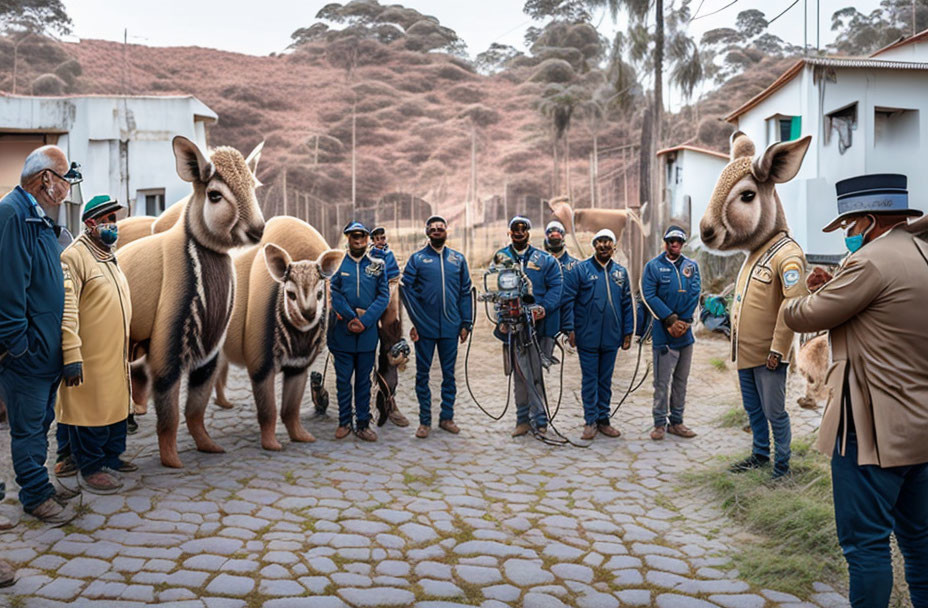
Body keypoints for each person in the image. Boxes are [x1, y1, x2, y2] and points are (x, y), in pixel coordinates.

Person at [784, 174, 928, 608]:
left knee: (865, 546)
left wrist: (796, 290)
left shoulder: (868, 263)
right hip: (921, 426)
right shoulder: (922, 253)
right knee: (920, 545)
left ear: (867, 221)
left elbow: (802, 316)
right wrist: (836, 283)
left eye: (848, 227)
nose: (847, 236)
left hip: (869, 430)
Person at [0, 145, 82, 526]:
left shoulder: (37, 218)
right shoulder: (13, 214)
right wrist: (20, 345)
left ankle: (42, 484)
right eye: (65, 179)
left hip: (44, 352)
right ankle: (34, 495)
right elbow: (9, 285)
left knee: (42, 423)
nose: (67, 187)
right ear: (47, 178)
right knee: (29, 427)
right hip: (27, 354)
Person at [57, 195, 136, 494]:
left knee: (115, 407)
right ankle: (90, 467)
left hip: (114, 352)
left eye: (115, 220)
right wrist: (71, 352)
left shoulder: (108, 255)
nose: (113, 226)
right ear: (91, 224)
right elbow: (67, 308)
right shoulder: (74, 257)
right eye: (107, 220)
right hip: (89, 353)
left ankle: (110, 458)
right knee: (90, 410)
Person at [728, 213, 808, 480]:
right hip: (745, 352)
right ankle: (760, 454)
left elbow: (792, 303)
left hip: (768, 354)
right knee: (753, 409)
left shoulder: (787, 253)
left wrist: (779, 349)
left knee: (775, 412)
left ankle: (782, 466)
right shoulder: (757, 252)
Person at [400, 215, 472, 439]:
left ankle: (446, 418)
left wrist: (466, 322)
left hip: (451, 327)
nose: (438, 231)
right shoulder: (418, 259)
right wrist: (416, 321)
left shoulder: (458, 260)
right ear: (427, 232)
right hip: (425, 329)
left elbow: (465, 292)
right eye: (433, 228)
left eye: (441, 228)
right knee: (422, 375)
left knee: (449, 375)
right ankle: (424, 421)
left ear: (447, 231)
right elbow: (405, 290)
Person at [491, 216, 563, 436]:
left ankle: (540, 420)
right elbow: (495, 289)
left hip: (540, 327)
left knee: (536, 373)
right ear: (509, 233)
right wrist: (501, 317)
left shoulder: (545, 260)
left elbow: (557, 287)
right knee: (520, 373)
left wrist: (542, 308)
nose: (520, 232)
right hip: (514, 327)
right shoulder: (501, 257)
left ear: (530, 232)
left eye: (524, 228)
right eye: (515, 229)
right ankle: (522, 420)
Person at [561, 229, 632, 441]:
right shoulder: (580, 270)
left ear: (614, 246)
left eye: (607, 242)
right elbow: (568, 301)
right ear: (594, 245)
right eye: (599, 242)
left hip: (612, 336)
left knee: (606, 380)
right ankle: (590, 421)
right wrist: (570, 329)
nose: (603, 245)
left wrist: (628, 332)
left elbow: (627, 304)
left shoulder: (621, 273)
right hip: (587, 336)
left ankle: (604, 420)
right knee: (590, 380)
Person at [328, 222, 390, 441]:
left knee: (363, 381)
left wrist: (365, 321)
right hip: (342, 334)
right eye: (354, 236)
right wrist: (351, 317)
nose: (358, 240)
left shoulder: (378, 265)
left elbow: (384, 296)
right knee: (343, 381)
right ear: (347, 238)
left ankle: (363, 423)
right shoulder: (337, 265)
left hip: (366, 335)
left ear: (367, 240)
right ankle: (344, 421)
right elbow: (334, 291)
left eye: (362, 237)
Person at [641, 226, 701, 440]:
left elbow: (694, 293)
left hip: (685, 335)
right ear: (664, 242)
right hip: (663, 333)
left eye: (678, 241)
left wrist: (683, 321)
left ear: (682, 244)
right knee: (661, 381)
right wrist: (670, 319)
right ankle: (659, 423)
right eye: (670, 240)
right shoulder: (653, 267)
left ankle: (677, 421)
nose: (674, 244)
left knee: (681, 380)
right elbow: (649, 294)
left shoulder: (691, 266)